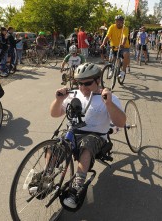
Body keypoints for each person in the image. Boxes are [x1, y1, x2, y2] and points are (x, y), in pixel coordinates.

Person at [50, 62, 126, 209]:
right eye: (79, 83)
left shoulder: (109, 98)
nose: (82, 87)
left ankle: (76, 186)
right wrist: (59, 100)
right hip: (73, 133)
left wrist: (109, 104)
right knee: (57, 143)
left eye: (87, 83)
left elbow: (121, 123)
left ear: (98, 80)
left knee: (87, 144)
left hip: (96, 136)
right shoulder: (74, 95)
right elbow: (54, 114)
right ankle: (46, 176)